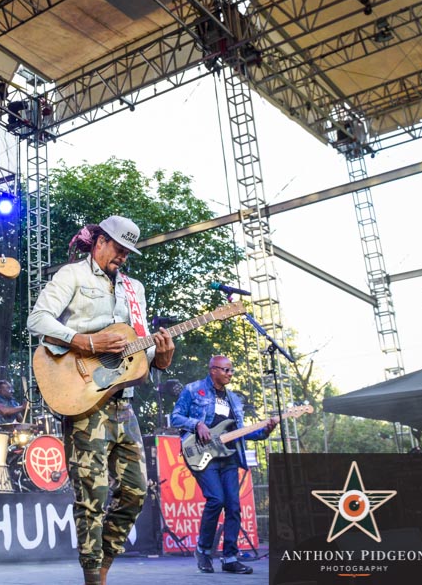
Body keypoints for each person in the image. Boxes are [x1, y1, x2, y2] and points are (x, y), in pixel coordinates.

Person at [27, 216, 174, 585]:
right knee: (91, 496)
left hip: (122, 403)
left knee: (137, 492)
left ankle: (104, 564)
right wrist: (85, 342)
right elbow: (38, 320)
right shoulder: (72, 276)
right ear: (100, 241)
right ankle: (93, 576)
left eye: (128, 252)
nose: (123, 257)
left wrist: (162, 358)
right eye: (119, 249)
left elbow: (139, 349)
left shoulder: (133, 289)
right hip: (83, 401)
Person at [170, 355, 278, 575]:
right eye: (226, 370)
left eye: (231, 371)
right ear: (213, 370)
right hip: (200, 453)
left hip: (228, 456)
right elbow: (176, 417)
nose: (230, 374)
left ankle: (230, 557)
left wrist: (266, 430)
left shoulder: (234, 400)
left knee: (233, 506)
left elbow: (242, 432)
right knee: (216, 499)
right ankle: (203, 550)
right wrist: (197, 423)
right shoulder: (193, 390)